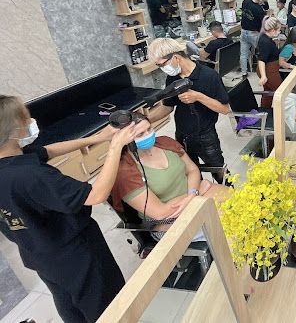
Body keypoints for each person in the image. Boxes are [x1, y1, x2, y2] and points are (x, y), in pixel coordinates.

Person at [0, 95, 139, 323]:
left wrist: (98, 137)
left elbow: (48, 151)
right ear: (13, 129)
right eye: (25, 118)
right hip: (76, 254)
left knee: (70, 306)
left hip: (38, 254)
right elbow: (96, 195)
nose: (30, 122)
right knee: (106, 306)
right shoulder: (31, 176)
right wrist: (115, 146)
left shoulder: (13, 162)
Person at [111, 113, 230, 240]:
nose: (148, 135)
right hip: (168, 220)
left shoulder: (165, 143)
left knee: (239, 205)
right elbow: (160, 213)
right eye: (140, 134)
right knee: (227, 225)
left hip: (194, 197)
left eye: (149, 129)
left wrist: (193, 194)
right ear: (126, 140)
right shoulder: (126, 172)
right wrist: (199, 190)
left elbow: (192, 170)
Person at [147, 38, 231, 183]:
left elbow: (225, 109)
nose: (162, 69)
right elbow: (168, 106)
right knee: (192, 173)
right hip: (182, 135)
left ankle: (230, 194)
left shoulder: (209, 76)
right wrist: (146, 120)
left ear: (176, 57)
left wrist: (198, 97)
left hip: (205, 136)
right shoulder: (172, 78)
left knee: (220, 172)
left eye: (162, 64)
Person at [240, 0, 269, 75]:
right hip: (253, 33)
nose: (263, 3)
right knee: (262, 52)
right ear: (260, 0)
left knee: (243, 54)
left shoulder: (245, 2)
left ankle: (244, 72)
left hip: (243, 31)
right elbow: (263, 24)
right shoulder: (259, 9)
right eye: (263, 1)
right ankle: (264, 71)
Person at [257, 17, 283, 107]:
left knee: (268, 93)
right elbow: (261, 60)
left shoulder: (267, 38)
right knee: (280, 92)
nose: (279, 32)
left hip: (271, 68)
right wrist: (263, 76)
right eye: (278, 30)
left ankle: (264, 110)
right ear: (272, 30)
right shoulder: (265, 42)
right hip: (269, 70)